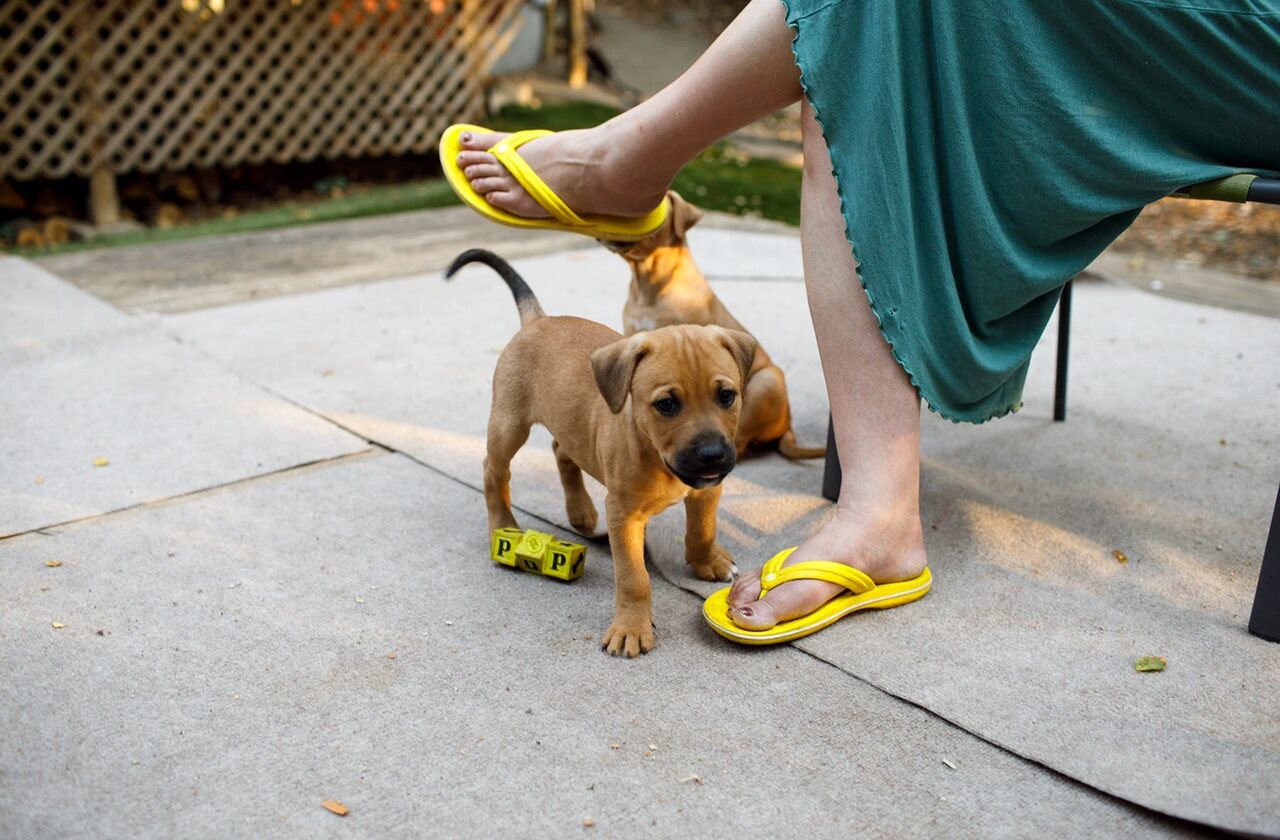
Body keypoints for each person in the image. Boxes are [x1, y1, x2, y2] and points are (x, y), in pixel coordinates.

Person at [444, 0, 1280, 639]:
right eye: (669, 404)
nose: (712, 429)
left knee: (867, 40)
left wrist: (700, 539)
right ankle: (879, 507)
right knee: (856, 68)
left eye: (725, 398)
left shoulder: (706, 367)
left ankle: (629, 158)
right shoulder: (613, 377)